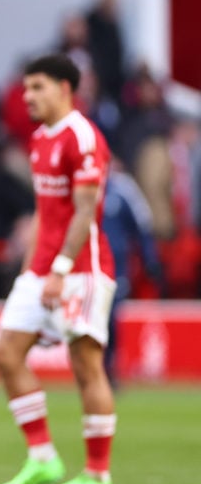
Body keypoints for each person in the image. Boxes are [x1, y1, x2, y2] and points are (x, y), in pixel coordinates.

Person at [0, 54, 117, 484]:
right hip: (42, 269)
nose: (28, 97)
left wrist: (61, 270)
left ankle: (97, 475)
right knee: (7, 354)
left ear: (66, 88)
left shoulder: (82, 137)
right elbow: (46, 215)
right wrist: (30, 270)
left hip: (83, 270)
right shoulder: (40, 138)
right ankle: (43, 457)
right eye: (26, 88)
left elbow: (86, 211)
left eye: (38, 87)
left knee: (86, 366)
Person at [102, 160, 163, 385]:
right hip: (88, 264)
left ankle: (109, 367)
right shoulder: (82, 188)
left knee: (110, 317)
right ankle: (95, 368)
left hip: (116, 266)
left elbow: (142, 226)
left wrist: (150, 259)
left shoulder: (123, 189)